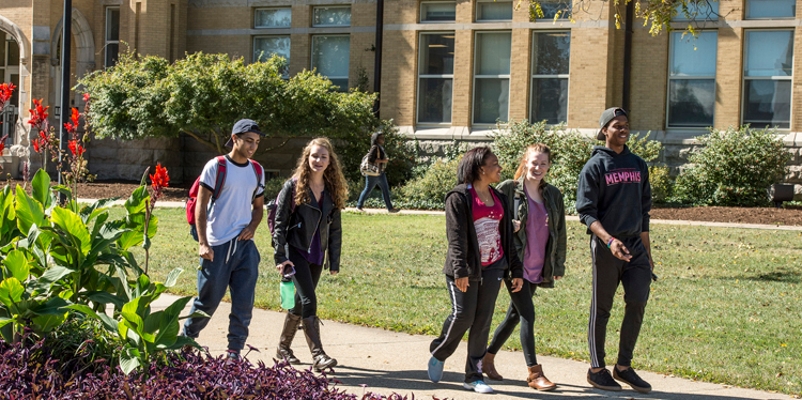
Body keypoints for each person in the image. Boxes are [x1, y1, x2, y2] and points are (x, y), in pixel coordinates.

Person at [427, 146, 524, 394]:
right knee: (464, 316)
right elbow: (456, 238)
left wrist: (516, 271)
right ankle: (440, 352)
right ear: (481, 168)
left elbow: (507, 239)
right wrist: (460, 271)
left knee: (482, 322)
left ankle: (473, 375)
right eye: (495, 163)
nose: (500, 168)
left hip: (494, 267)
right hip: (466, 269)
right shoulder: (459, 197)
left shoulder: (499, 197)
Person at [576, 107, 654, 394]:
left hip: (635, 247)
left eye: (626, 125)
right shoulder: (594, 166)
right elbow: (586, 213)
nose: (623, 129)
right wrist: (609, 240)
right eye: (616, 125)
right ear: (604, 131)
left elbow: (644, 212)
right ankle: (597, 369)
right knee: (602, 308)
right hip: (607, 247)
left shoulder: (638, 164)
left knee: (637, 300)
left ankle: (623, 366)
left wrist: (647, 251)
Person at [483, 143, 566, 391]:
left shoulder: (553, 195)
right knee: (528, 314)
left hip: (538, 265)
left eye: (543, 163)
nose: (538, 167)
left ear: (548, 166)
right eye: (534, 162)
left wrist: (558, 264)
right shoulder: (508, 189)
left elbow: (560, 232)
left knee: (514, 316)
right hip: (513, 264)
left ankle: (485, 359)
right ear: (525, 162)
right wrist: (507, 224)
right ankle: (534, 373)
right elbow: (486, 214)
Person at [182, 119, 266, 359]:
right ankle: (187, 340)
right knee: (207, 302)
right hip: (217, 245)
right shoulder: (217, 166)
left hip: (244, 247)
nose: (252, 147)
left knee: (243, 304)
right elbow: (201, 204)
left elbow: (258, 207)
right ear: (235, 138)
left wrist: (252, 225)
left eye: (257, 142)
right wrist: (203, 243)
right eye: (248, 140)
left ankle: (234, 353)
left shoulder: (257, 170)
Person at [273, 137, 347, 372]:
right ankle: (318, 355)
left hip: (317, 253)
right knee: (308, 300)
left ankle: (283, 349)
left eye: (323, 157)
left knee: (298, 303)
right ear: (307, 158)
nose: (318, 160)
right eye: (315, 156)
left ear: (329, 161)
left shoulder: (331, 190)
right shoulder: (293, 186)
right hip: (296, 251)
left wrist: (334, 260)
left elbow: (335, 229)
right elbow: (280, 223)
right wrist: (280, 256)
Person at [356, 129, 398, 213]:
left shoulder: (379, 147)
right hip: (373, 173)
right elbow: (371, 159)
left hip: (380, 172)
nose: (383, 139)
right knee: (368, 189)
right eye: (381, 138)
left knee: (385, 189)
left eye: (383, 137)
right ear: (376, 139)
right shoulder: (375, 147)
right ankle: (358, 207)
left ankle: (390, 208)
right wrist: (383, 161)